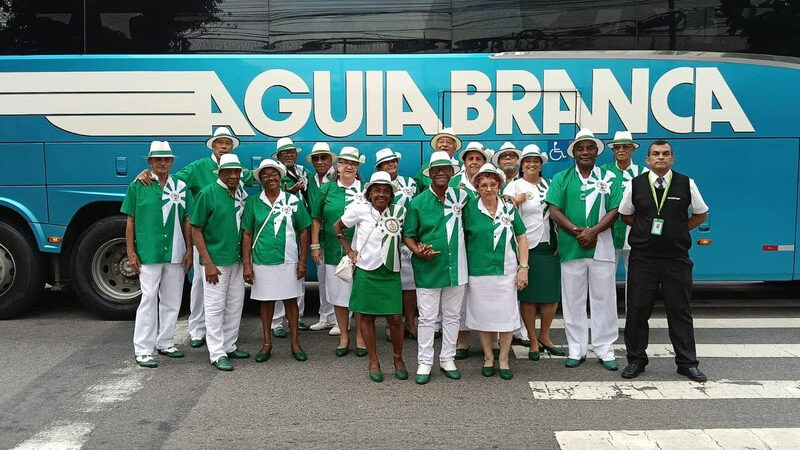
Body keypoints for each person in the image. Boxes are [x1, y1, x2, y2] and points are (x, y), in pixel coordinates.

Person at [135, 126, 253, 349]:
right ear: (213, 146)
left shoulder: (236, 170)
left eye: (227, 143)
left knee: (227, 294)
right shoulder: (199, 167)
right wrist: (146, 174)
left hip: (226, 239)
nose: (224, 146)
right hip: (204, 235)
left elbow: (259, 177)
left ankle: (221, 341)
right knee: (201, 282)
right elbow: (171, 181)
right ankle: (197, 328)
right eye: (220, 143)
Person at [618, 140, 709, 382]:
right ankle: (636, 360)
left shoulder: (686, 183)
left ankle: (687, 363)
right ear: (647, 160)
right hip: (643, 259)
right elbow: (625, 214)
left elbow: (700, 214)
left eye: (665, 154)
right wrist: (644, 230)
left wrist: (678, 230)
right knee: (637, 311)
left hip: (675, 259)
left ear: (672, 159)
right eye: (656, 154)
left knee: (680, 312)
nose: (661, 157)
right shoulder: (635, 185)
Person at [545, 128, 621, 371]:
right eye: (580, 148)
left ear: (597, 151)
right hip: (572, 247)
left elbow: (615, 210)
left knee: (604, 299)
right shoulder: (561, 177)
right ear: (574, 153)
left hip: (602, 247)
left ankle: (604, 348)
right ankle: (576, 348)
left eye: (590, 148)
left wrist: (594, 232)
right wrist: (580, 232)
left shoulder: (611, 178)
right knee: (573, 300)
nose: (585, 152)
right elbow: (555, 211)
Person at [122, 141, 193, 368]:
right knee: (149, 298)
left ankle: (166, 342)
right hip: (149, 252)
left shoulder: (180, 186)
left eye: (167, 159)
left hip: (175, 251)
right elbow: (130, 220)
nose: (162, 163)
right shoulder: (138, 185)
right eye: (157, 159)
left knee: (172, 300)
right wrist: (131, 251)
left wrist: (189, 249)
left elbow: (187, 220)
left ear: (172, 162)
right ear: (150, 162)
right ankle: (143, 349)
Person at [334, 171, 408, 382]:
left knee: (395, 318)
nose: (381, 194)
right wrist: (349, 250)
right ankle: (373, 360)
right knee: (366, 317)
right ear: (369, 193)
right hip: (366, 271)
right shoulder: (360, 210)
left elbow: (407, 236)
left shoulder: (400, 212)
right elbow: (337, 227)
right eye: (377, 190)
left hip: (390, 271)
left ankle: (398, 358)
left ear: (391, 194)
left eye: (386, 190)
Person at [403, 151, 470, 384]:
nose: (441, 173)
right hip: (428, 268)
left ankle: (447, 358)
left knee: (452, 316)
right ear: (430, 174)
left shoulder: (462, 197)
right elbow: (408, 235)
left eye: (445, 169)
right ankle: (424, 361)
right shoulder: (418, 202)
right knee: (428, 318)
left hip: (457, 268)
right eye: (436, 170)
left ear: (452, 173)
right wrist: (418, 250)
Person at [242, 159, 311, 364]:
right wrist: (247, 264)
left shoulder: (293, 201)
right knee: (267, 302)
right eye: (265, 176)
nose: (270, 178)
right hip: (263, 260)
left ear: (280, 177)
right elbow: (247, 234)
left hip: (289, 259)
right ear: (260, 180)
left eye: (274, 175)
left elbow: (304, 231)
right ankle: (266, 343)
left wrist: (302, 261)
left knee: (291, 301)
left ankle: (295, 343)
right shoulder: (253, 202)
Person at [462, 163, 528, 380]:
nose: (488, 189)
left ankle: (504, 358)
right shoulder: (469, 208)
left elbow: (521, 237)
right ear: (477, 188)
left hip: (506, 270)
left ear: (499, 186)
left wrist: (523, 268)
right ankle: (489, 357)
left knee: (506, 317)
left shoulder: (509, 208)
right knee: (484, 316)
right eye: (483, 185)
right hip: (479, 272)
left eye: (492, 184)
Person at [503, 144, 566, 361]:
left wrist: (562, 240)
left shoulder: (551, 184)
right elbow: (505, 212)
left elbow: (559, 212)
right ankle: (531, 338)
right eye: (528, 161)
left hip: (550, 244)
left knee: (550, 295)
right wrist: (516, 202)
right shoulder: (513, 185)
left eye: (536, 161)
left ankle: (545, 336)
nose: (532, 164)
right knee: (528, 296)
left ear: (541, 165)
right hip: (526, 246)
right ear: (522, 165)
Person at [190, 153, 250, 371]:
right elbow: (196, 229)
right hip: (216, 261)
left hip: (236, 260)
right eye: (229, 172)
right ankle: (216, 353)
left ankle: (230, 345)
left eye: (237, 172)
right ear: (221, 173)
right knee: (215, 307)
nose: (234, 176)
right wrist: (207, 263)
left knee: (235, 304)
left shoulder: (240, 193)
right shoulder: (208, 193)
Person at [310, 146, 367, 355]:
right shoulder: (326, 189)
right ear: (338, 166)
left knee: (360, 296)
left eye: (354, 163)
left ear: (357, 167)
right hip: (335, 251)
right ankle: (344, 336)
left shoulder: (366, 189)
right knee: (339, 296)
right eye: (345, 163)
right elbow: (316, 219)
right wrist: (315, 246)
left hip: (362, 253)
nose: (349, 166)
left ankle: (361, 336)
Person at [449, 141, 489, 356]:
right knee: (462, 294)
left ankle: (489, 341)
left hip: (484, 246)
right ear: (463, 162)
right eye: (470, 158)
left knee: (486, 293)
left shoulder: (491, 180)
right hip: (459, 244)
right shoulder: (454, 183)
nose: (474, 162)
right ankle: (462, 340)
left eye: (479, 158)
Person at [374, 148, 418, 339]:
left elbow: (417, 208)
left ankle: (410, 322)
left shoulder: (410, 183)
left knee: (409, 286)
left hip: (407, 240)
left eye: (393, 161)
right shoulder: (376, 186)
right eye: (386, 163)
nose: (391, 165)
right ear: (380, 167)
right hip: (385, 241)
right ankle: (392, 324)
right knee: (390, 285)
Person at [271, 137, 311, 337]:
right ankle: (277, 322)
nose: (289, 155)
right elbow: (270, 191)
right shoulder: (275, 171)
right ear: (278, 157)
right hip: (280, 225)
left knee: (297, 272)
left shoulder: (303, 171)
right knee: (278, 274)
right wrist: (288, 191)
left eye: (291, 152)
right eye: (284, 153)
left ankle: (297, 317)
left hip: (299, 223)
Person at [601, 131, 648, 285]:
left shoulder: (644, 173)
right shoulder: (603, 171)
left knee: (635, 280)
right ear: (613, 150)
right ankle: (607, 310)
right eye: (617, 147)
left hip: (634, 231)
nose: (621, 150)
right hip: (608, 231)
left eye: (626, 147)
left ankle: (633, 310)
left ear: (632, 149)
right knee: (605, 279)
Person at [305, 142, 337, 332]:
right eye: (316, 158)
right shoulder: (310, 179)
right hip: (319, 236)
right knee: (323, 277)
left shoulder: (338, 177)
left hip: (336, 236)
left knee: (339, 278)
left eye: (323, 157)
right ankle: (325, 316)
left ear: (331, 160)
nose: (319, 161)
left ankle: (340, 319)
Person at [414, 127, 462, 192]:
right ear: (436, 147)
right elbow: (416, 190)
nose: (444, 144)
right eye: (441, 142)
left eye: (449, 142)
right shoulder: (426, 167)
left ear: (455, 148)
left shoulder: (463, 167)